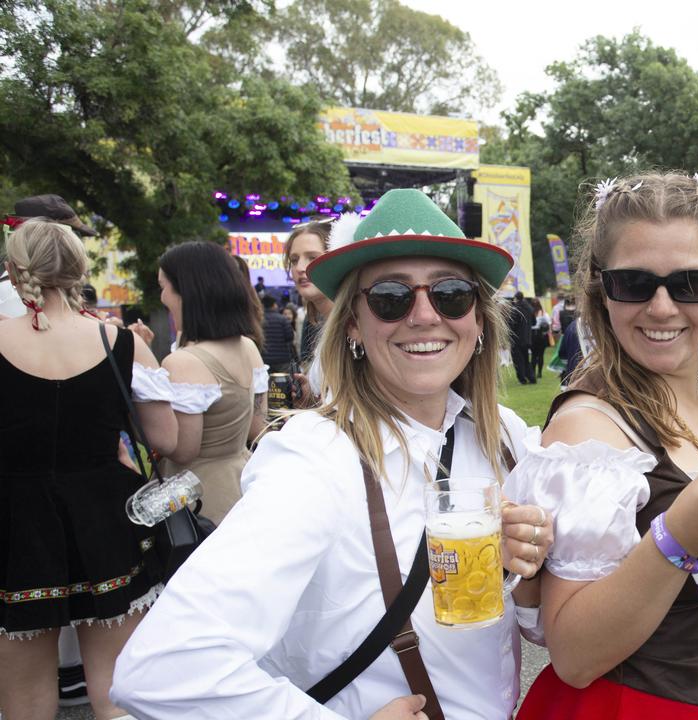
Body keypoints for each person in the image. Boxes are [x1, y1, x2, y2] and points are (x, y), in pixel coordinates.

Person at [112, 188, 553, 719]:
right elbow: (161, 668)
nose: (424, 316)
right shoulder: (315, 458)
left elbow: (537, 633)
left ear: (478, 321)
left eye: (451, 294)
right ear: (352, 327)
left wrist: (525, 576)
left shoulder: (503, 437)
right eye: (391, 298)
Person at [507, 173, 698, 719]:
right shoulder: (589, 432)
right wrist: (676, 540)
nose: (661, 307)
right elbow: (574, 655)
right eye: (634, 283)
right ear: (598, 288)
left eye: (689, 284)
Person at [0, 219, 177, 719]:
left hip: (17, 526)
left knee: (24, 692)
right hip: (106, 519)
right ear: (80, 269)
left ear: (15, 272)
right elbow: (165, 440)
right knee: (115, 683)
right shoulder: (119, 342)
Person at [156, 241, 269, 523]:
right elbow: (258, 428)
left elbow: (183, 450)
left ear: (186, 292)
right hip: (242, 484)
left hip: (200, 499)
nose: (162, 297)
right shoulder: (248, 346)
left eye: (164, 286)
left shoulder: (183, 362)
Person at [284, 220, 334, 367]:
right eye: (294, 260)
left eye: (312, 257)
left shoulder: (358, 325)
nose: (300, 267)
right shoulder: (315, 321)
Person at [260, 294, 296, 373]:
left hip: (264, 359)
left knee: (267, 382)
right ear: (274, 305)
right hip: (282, 359)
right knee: (284, 382)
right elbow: (290, 337)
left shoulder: (259, 320)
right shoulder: (282, 319)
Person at [507, 292, 536, 384]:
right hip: (527, 338)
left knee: (518, 360)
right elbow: (534, 323)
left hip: (516, 339)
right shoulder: (530, 309)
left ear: (516, 298)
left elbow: (511, 325)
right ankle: (531, 377)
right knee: (526, 359)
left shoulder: (515, 310)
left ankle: (522, 379)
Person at [530, 297, 550, 380]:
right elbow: (548, 322)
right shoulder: (543, 313)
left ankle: (533, 372)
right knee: (541, 355)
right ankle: (539, 373)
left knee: (534, 355)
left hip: (532, 335)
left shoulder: (530, 312)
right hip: (541, 335)